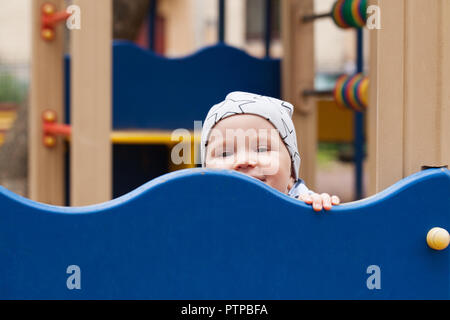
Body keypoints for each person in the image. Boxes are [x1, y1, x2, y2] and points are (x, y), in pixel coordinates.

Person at [200, 91, 340, 211]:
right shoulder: (199, 208)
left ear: (291, 172)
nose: (243, 160)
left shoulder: (301, 204)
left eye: (261, 149)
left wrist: (318, 209)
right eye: (225, 153)